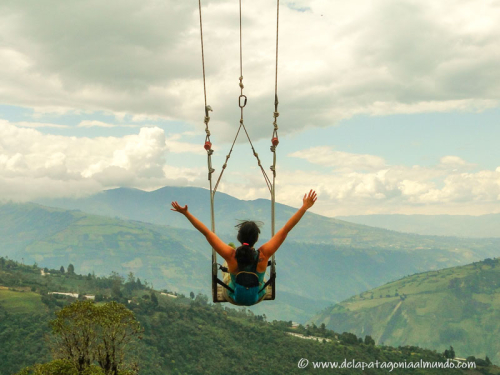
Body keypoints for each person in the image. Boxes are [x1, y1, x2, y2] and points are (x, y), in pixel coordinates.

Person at [170, 189, 317, 305]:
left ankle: (235, 276)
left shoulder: (231, 255)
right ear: (257, 238)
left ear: (239, 237)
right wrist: (304, 207)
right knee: (262, 277)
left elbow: (207, 233)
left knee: (228, 260)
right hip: (257, 297)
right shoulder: (264, 254)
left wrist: (186, 213)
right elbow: (286, 230)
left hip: (233, 297)